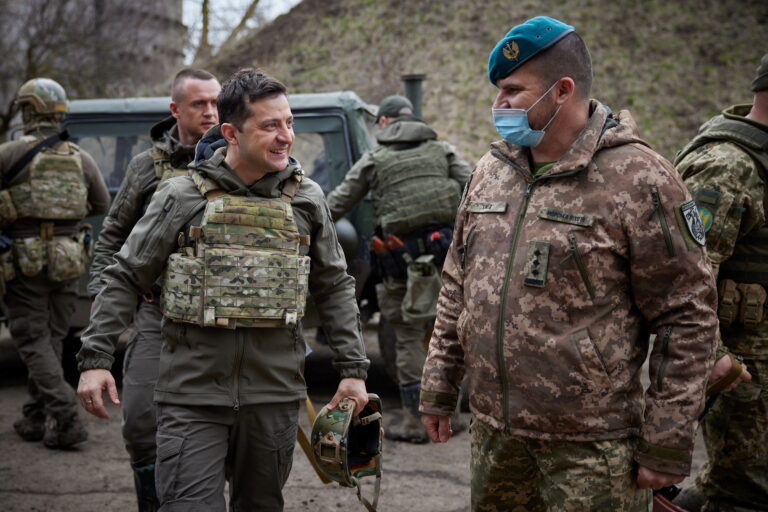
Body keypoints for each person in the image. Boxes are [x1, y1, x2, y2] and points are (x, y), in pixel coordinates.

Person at [418, 16, 726, 511]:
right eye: (498, 91)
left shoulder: (639, 178)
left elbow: (686, 315)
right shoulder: (491, 171)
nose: (498, 105)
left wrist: (666, 443)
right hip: (496, 437)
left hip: (591, 449)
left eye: (513, 91)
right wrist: (439, 385)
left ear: (562, 91)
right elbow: (458, 281)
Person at [76, 68, 369, 511]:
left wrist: (353, 369)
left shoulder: (307, 199)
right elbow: (126, 273)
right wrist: (96, 358)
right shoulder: (180, 195)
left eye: (289, 123)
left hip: (274, 396)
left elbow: (334, 286)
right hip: (191, 395)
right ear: (231, 133)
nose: (285, 136)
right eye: (270, 125)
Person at [86, 68, 220, 511]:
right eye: (199, 103)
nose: (210, 111)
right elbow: (112, 237)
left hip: (225, 320)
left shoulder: (239, 158)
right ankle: (151, 501)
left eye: (216, 102)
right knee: (141, 419)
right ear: (175, 110)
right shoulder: (148, 167)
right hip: (158, 314)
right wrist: (106, 303)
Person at [326, 94, 472, 443]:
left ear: (386, 124)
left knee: (407, 337)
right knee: (449, 334)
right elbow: (476, 188)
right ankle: (449, 416)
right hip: (448, 263)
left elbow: (334, 205)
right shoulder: (444, 151)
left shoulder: (375, 159)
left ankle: (413, 422)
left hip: (401, 266)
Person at [673, 52, 768, 512]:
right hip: (746, 370)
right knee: (744, 493)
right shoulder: (727, 165)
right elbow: (684, 277)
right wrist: (712, 361)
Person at [0, 78, 109, 448]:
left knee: (32, 339)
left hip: (23, 261)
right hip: (68, 260)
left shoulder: (9, 154)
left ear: (28, 110)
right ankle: (34, 417)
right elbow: (100, 205)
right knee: (51, 339)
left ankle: (64, 416)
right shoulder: (81, 157)